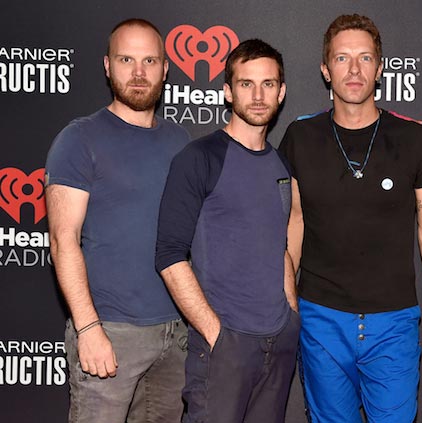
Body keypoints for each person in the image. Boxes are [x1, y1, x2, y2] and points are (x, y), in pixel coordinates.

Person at [279, 14, 422, 423]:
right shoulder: (300, 137)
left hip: (393, 323)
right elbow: (293, 223)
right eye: (342, 59)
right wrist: (288, 306)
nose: (354, 70)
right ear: (326, 70)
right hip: (321, 318)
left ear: (380, 67)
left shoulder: (415, 138)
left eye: (364, 58)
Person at [45, 18, 190, 423]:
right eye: (127, 59)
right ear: (107, 65)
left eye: (150, 60)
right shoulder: (80, 138)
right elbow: (62, 240)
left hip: (175, 332)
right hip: (109, 331)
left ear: (165, 69)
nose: (139, 72)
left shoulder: (180, 142)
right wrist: (88, 329)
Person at [155, 39, 299, 423]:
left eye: (268, 84)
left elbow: (279, 245)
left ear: (281, 92)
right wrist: (216, 334)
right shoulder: (199, 158)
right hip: (224, 346)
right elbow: (170, 255)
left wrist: (291, 315)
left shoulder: (280, 165)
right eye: (246, 83)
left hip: (278, 342)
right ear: (227, 90)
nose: (257, 95)